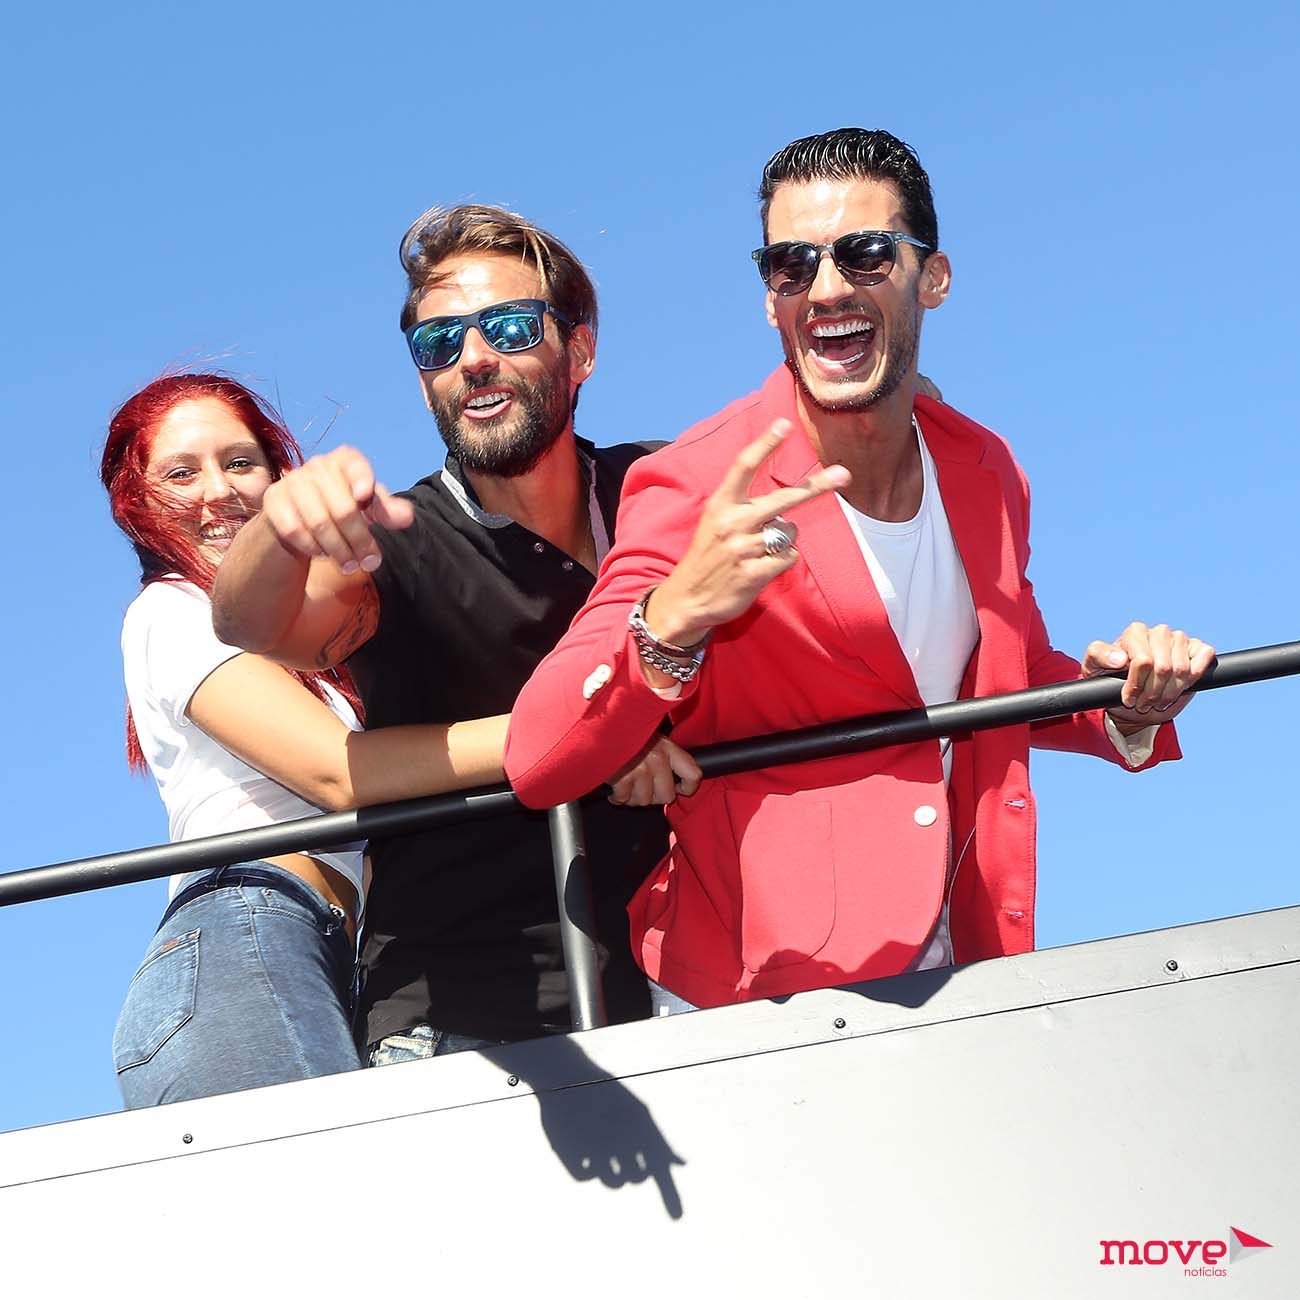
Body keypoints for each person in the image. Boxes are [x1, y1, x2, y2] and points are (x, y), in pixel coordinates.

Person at [504, 128, 1215, 1013]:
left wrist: (1125, 704)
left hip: (964, 954)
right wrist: (672, 616)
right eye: (791, 265)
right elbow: (538, 756)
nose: (827, 288)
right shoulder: (699, 481)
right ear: (770, 300)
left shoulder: (986, 467)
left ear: (934, 277)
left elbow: (1008, 671)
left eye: (866, 253)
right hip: (756, 994)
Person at [210, 206, 697, 1062]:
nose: (473, 358)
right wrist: (276, 530)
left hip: (681, 992)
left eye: (509, 327)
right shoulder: (397, 542)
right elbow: (256, 626)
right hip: (458, 1023)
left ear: (580, 351)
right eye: (439, 343)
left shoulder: (659, 489)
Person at [104, 373, 508, 1106]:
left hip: (324, 949)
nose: (218, 492)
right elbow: (337, 775)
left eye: (240, 462)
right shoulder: (170, 611)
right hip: (247, 925)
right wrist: (562, 734)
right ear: (137, 502)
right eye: (180, 474)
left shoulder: (317, 647)